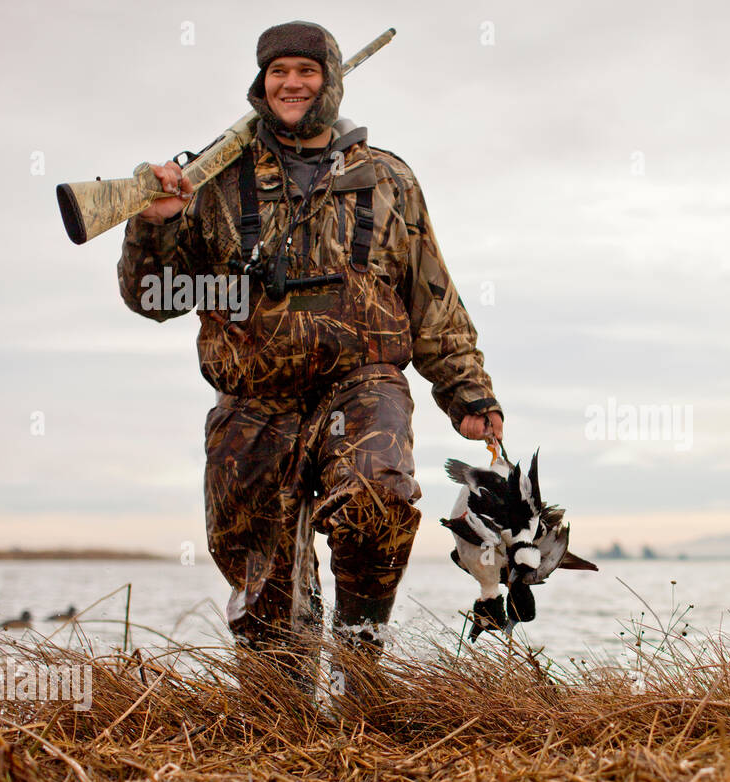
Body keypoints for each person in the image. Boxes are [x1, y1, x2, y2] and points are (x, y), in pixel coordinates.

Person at [116, 21, 503, 704]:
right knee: (263, 587)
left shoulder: (386, 177)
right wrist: (157, 220)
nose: (292, 83)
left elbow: (432, 295)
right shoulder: (215, 180)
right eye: (278, 72)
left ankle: (361, 670)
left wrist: (469, 394)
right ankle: (283, 714)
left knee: (379, 496)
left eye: (307, 70)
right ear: (261, 83)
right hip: (252, 400)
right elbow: (154, 298)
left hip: (362, 382)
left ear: (331, 78)